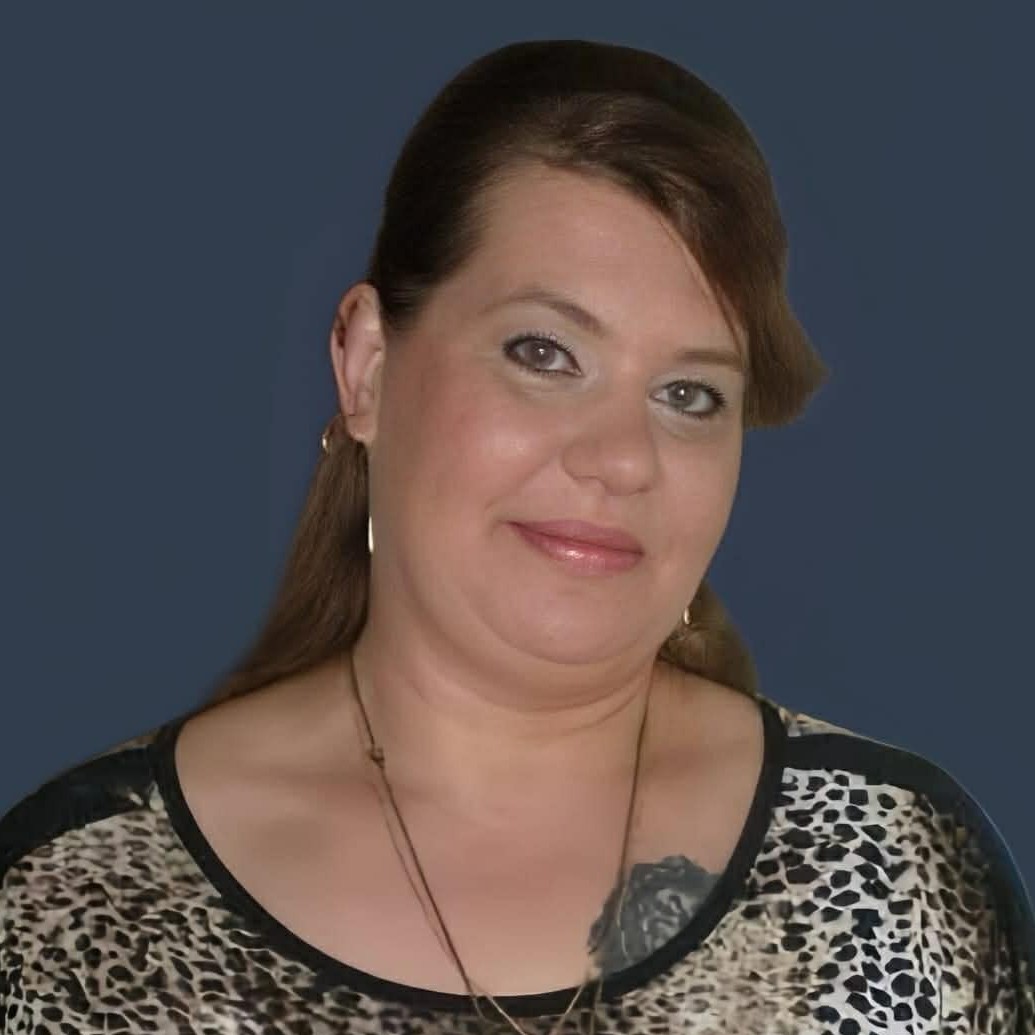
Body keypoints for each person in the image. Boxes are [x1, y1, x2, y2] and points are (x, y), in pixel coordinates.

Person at [1, 37, 1032, 1035]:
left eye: (688, 394)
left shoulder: (895, 872)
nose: (621, 458)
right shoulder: (79, 902)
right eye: (544, 353)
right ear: (367, 366)